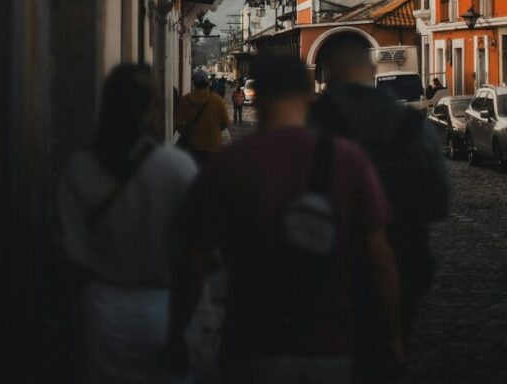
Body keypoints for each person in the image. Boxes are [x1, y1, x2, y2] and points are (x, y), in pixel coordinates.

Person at [166, 54, 406, 384]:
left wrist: (177, 333)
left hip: (252, 346)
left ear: (256, 95)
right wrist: (393, 335)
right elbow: (380, 258)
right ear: (310, 92)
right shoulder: (349, 161)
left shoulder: (228, 164)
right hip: (330, 345)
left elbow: (193, 263)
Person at [310, 34, 450, 375]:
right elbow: (440, 202)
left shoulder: (310, 123)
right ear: (372, 70)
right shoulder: (412, 126)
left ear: (327, 75)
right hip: (404, 255)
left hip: (325, 264)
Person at [57, 64, 197, 384]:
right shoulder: (177, 167)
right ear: (150, 107)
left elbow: (71, 253)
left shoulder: (79, 168)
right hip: (163, 310)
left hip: (99, 312)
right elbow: (197, 251)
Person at [175, 69, 230, 165]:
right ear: (208, 83)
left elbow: (178, 123)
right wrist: (214, 129)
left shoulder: (186, 100)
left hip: (192, 147)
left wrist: (187, 133)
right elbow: (225, 122)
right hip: (213, 147)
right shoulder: (217, 101)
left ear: (194, 83)